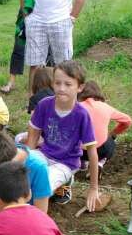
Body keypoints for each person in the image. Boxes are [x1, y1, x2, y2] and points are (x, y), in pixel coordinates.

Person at [26, 61, 106, 211]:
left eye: (68, 84)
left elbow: (92, 152)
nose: (61, 89)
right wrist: (26, 162)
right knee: (20, 177)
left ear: (80, 87)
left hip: (66, 163)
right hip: (44, 154)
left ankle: (64, 184)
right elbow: (32, 137)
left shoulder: (82, 115)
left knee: (41, 186)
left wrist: (93, 188)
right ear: (52, 83)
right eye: (57, 83)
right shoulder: (44, 105)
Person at [78, 80, 132, 175]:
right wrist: (114, 133)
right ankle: (99, 163)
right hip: (100, 151)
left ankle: (81, 164)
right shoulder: (105, 107)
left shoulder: (76, 107)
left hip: (78, 152)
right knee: (110, 139)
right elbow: (127, 121)